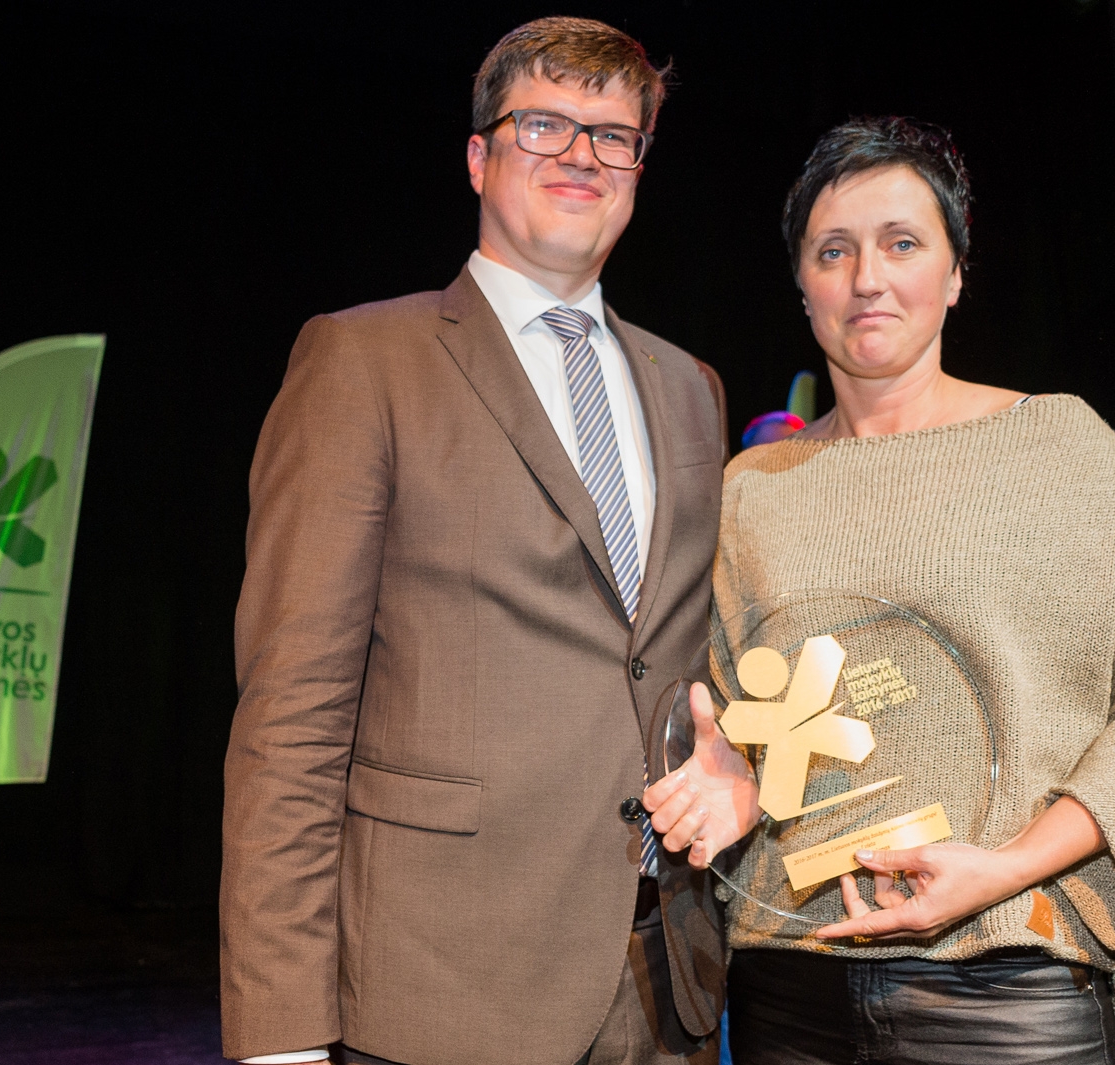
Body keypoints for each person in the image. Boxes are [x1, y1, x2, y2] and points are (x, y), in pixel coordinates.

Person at [644, 117, 1115, 1065]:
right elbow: (732, 707)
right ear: (802, 284)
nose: (867, 278)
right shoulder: (749, 490)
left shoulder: (1059, 448)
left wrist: (1006, 868)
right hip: (791, 987)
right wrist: (729, 771)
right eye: (834, 251)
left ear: (955, 273)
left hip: (1009, 982)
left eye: (902, 244)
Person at [219, 17, 729, 1065]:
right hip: (441, 991)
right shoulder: (363, 361)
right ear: (477, 157)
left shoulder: (691, 387)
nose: (581, 155)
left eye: (614, 135)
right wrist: (282, 1033)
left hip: (660, 993)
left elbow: (682, 660)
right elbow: (290, 719)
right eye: (543, 125)